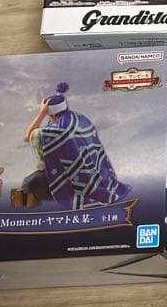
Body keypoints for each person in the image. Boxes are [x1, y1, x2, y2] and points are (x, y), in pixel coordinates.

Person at [21, 82, 131, 211]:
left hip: (72, 181)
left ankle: (64, 192)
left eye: (48, 115)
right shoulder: (80, 118)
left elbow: (27, 136)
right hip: (99, 175)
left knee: (28, 183)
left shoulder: (51, 132)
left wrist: (41, 113)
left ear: (52, 114)